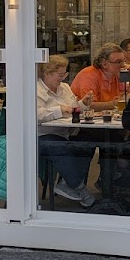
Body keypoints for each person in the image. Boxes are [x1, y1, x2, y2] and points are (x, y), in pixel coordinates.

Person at [36, 55, 96, 208]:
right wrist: (59, 110)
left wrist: (83, 104)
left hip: (64, 132)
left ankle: (67, 183)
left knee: (87, 142)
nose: (63, 78)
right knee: (60, 146)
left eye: (65, 74)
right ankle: (78, 187)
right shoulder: (36, 90)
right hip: (41, 135)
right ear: (46, 73)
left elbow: (73, 109)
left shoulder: (65, 88)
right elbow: (36, 115)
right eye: (60, 75)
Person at [70, 43, 130, 111]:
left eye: (123, 61)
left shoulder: (115, 75)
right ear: (104, 64)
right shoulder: (88, 76)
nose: (123, 65)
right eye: (118, 62)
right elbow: (89, 105)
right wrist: (115, 104)